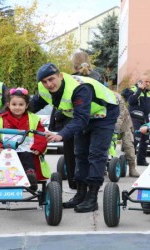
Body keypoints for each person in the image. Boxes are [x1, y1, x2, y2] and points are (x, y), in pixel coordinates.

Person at [32, 63, 119, 213]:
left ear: (60, 76)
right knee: (79, 154)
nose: (48, 84)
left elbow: (81, 119)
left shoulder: (79, 88)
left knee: (96, 154)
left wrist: (61, 134)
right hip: (81, 116)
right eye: (44, 81)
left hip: (104, 114)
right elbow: (32, 106)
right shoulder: (43, 88)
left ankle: (92, 199)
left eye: (51, 79)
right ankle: (80, 194)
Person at [47, 50, 103, 190]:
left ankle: (75, 184)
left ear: (73, 66)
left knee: (72, 155)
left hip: (71, 121)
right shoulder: (98, 78)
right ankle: (90, 187)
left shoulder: (71, 80)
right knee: (91, 155)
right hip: (94, 120)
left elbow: (62, 104)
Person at [0, 88, 50, 191]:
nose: (17, 107)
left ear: (26, 105)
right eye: (14, 104)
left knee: (27, 156)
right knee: (2, 160)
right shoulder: (0, 119)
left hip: (27, 152)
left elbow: (41, 135)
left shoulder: (33, 119)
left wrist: (38, 147)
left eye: (21, 105)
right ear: (8, 104)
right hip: (5, 151)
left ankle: (30, 177)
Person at [122, 74, 150, 166]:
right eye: (146, 81)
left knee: (146, 139)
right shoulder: (132, 89)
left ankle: (141, 160)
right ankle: (127, 160)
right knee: (135, 138)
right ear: (140, 82)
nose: (148, 83)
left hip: (145, 118)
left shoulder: (149, 92)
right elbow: (131, 101)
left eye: (149, 81)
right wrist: (139, 90)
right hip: (134, 118)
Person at [112, 91, 139, 177]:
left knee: (128, 146)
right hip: (109, 123)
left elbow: (121, 115)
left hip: (124, 125)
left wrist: (115, 128)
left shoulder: (118, 98)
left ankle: (132, 168)